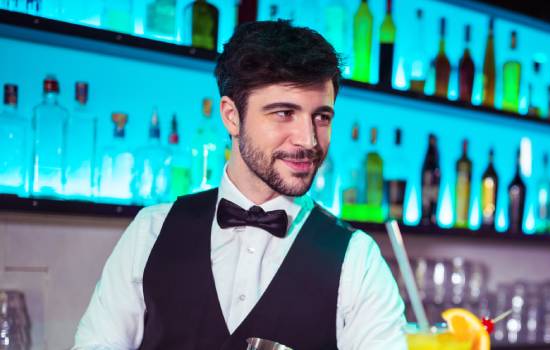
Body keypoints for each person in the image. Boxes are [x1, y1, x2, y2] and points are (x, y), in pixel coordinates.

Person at [73, 20, 406, 350]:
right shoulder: (150, 231)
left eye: (322, 117)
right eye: (284, 113)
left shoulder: (358, 260)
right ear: (231, 116)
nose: (308, 140)